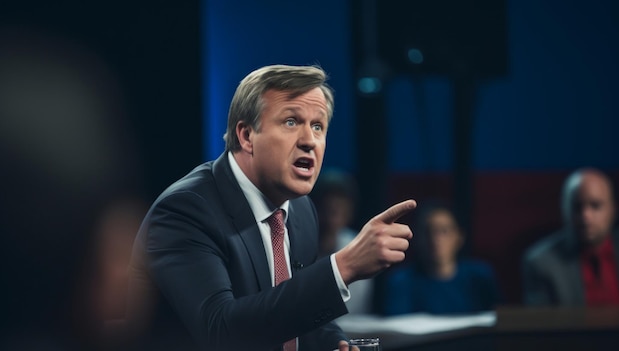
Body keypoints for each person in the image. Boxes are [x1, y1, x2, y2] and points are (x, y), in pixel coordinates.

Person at [126, 64, 416, 351]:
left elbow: (292, 307)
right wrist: (344, 267)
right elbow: (221, 331)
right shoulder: (186, 210)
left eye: (318, 126)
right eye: (291, 122)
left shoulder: (301, 210)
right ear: (247, 136)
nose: (309, 141)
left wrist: (333, 341)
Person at [523, 168, 619, 306]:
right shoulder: (542, 263)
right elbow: (540, 324)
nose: (586, 216)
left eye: (595, 206)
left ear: (613, 210)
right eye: (577, 207)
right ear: (564, 209)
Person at [381, 205, 499, 315]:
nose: (435, 239)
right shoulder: (401, 281)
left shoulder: (479, 277)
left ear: (459, 237)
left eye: (444, 231)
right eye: (428, 232)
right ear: (417, 238)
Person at [311, 170, 374, 315]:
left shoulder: (359, 245)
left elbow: (358, 308)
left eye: (339, 206)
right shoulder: (297, 245)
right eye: (326, 207)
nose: (331, 214)